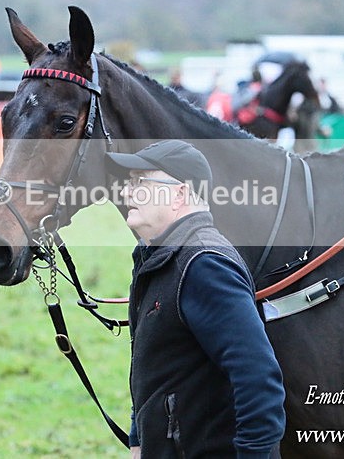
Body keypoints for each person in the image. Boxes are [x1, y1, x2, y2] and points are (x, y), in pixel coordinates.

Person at [106, 140, 286, 458]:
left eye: (141, 182)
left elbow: (259, 381)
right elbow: (155, 365)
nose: (127, 193)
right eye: (129, 182)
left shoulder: (205, 264)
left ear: (180, 194)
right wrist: (138, 439)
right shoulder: (155, 256)